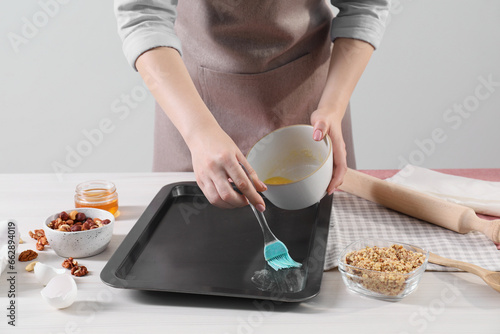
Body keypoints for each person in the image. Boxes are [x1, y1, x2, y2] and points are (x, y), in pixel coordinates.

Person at [114, 0, 390, 212]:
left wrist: (333, 106)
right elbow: (144, 16)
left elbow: (364, 6)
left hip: (312, 99)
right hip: (193, 102)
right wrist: (199, 132)